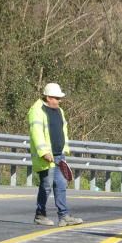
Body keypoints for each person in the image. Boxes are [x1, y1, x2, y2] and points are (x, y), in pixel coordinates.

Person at [27, 83, 84, 227]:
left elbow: (63, 131)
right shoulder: (37, 111)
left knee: (61, 185)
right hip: (47, 157)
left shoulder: (60, 111)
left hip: (59, 156)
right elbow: (37, 133)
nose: (59, 101)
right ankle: (40, 215)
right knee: (46, 186)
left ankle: (64, 216)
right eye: (57, 98)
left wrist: (64, 149)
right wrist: (44, 152)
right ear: (48, 97)